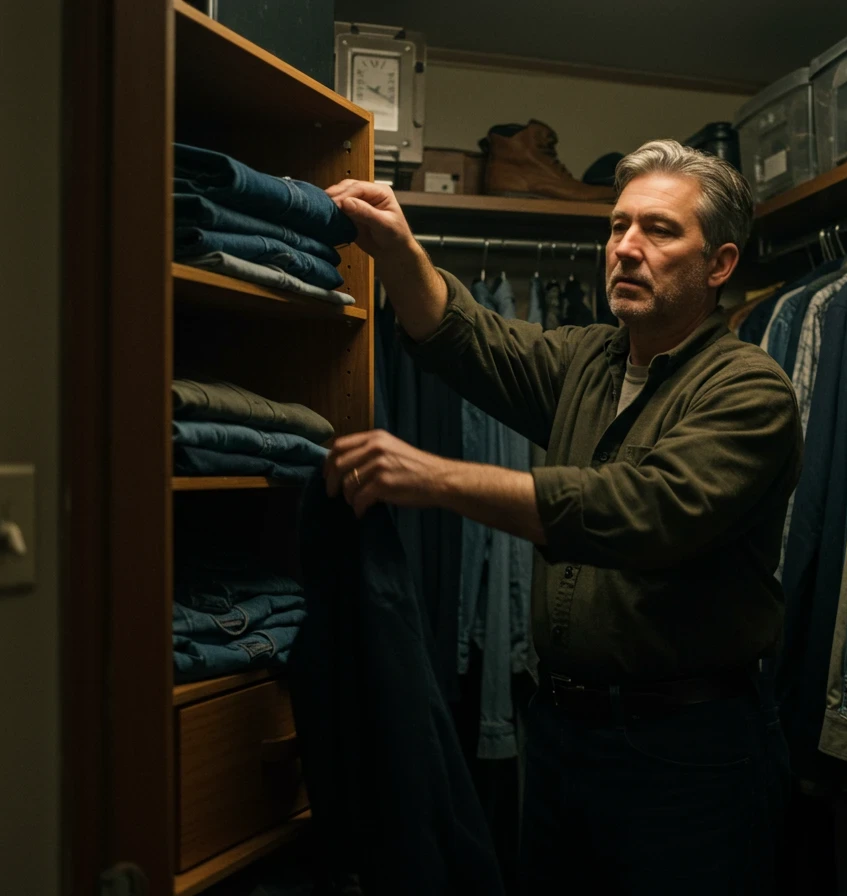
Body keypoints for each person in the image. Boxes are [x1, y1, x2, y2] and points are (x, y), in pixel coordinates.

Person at [322, 140, 802, 894]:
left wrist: (439, 478)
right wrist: (398, 247)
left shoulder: (751, 390)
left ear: (721, 264)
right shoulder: (589, 360)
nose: (627, 248)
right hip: (564, 737)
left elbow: (645, 511)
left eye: (659, 230)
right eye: (617, 227)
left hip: (685, 753)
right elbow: (466, 340)